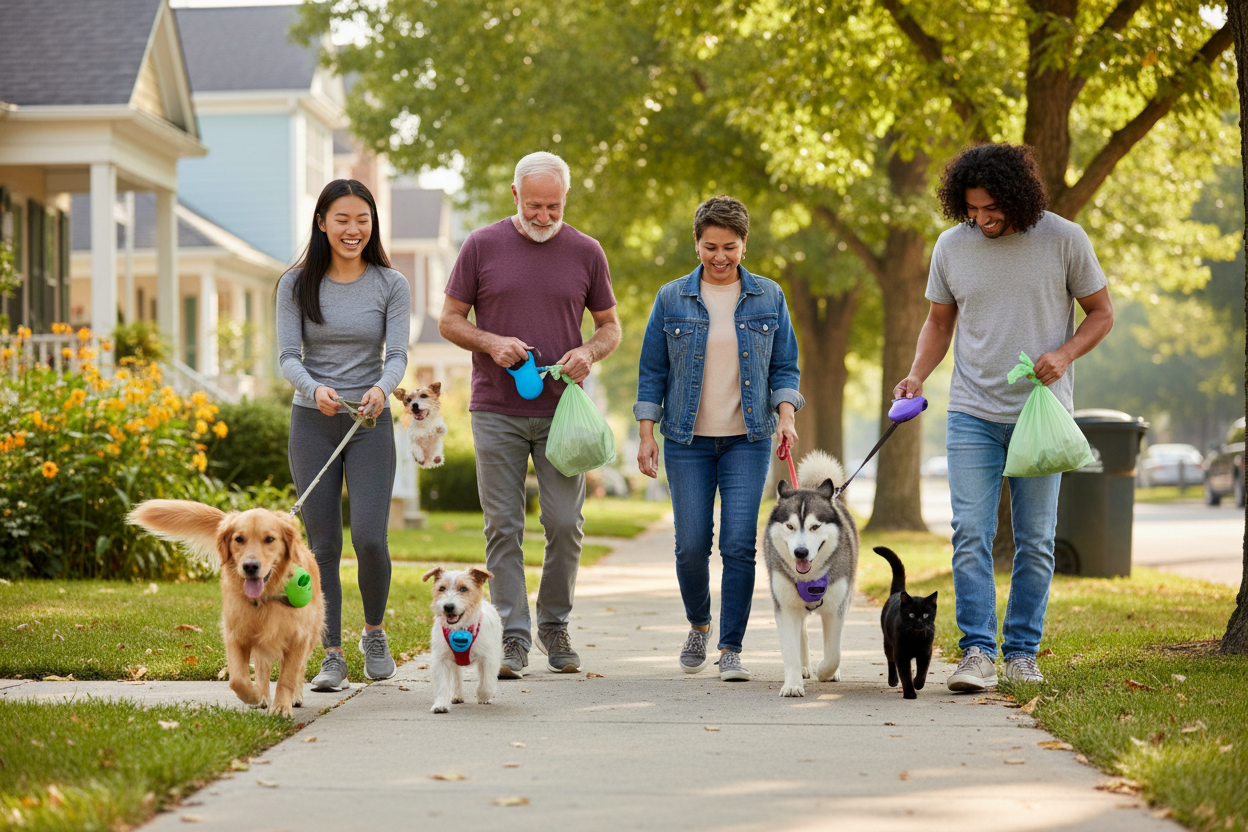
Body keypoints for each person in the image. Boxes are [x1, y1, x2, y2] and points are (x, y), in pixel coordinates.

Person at [892, 143, 1113, 691]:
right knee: (970, 533)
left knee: (1036, 540)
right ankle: (977, 654)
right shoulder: (952, 247)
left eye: (991, 209)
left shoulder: (1064, 239)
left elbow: (1102, 314)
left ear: (1017, 197)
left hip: (1041, 415)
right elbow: (939, 324)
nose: (982, 220)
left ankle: (1021, 652)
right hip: (972, 412)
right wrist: (917, 374)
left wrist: (1064, 354)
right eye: (972, 210)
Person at [438, 151, 621, 678]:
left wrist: (589, 352)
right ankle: (514, 637)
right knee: (504, 527)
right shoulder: (481, 245)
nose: (545, 216)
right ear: (515, 196)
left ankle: (554, 624)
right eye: (535, 206)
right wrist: (490, 342)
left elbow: (611, 326)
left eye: (555, 207)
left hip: (562, 411)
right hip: (496, 408)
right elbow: (450, 320)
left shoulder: (586, 251)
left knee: (565, 522)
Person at [635, 195, 803, 682]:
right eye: (710, 247)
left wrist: (786, 416)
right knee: (690, 545)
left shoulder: (769, 297)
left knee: (737, 545)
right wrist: (646, 434)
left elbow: (785, 365)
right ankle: (698, 624)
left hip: (748, 439)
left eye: (730, 246)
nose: (720, 257)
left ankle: (731, 647)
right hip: (686, 441)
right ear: (696, 244)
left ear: (744, 244)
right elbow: (652, 372)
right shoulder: (671, 299)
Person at [276, 179, 410, 691]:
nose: (353, 230)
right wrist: (315, 390)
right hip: (313, 419)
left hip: (369, 420)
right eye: (342, 220)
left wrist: (381, 388)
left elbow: (396, 355)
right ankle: (330, 652)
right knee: (323, 544)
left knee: (370, 538)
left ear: (372, 225)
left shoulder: (390, 284)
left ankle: (373, 632)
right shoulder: (295, 285)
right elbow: (289, 357)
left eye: (363, 220)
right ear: (322, 223)